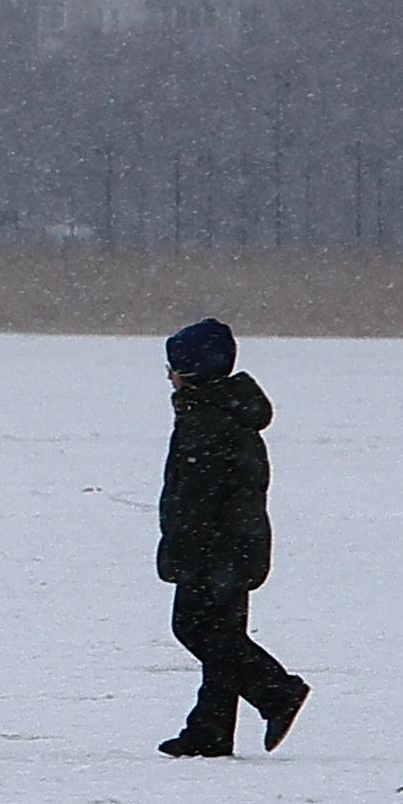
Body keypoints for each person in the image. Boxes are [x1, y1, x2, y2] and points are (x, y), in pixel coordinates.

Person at [155, 317, 309, 758]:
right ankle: (210, 730)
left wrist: (184, 547)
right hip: (234, 547)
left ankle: (278, 691)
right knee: (220, 635)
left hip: (216, 550)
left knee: (195, 627)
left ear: (196, 372)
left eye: (175, 367)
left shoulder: (207, 420)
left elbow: (197, 498)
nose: (169, 376)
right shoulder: (222, 411)